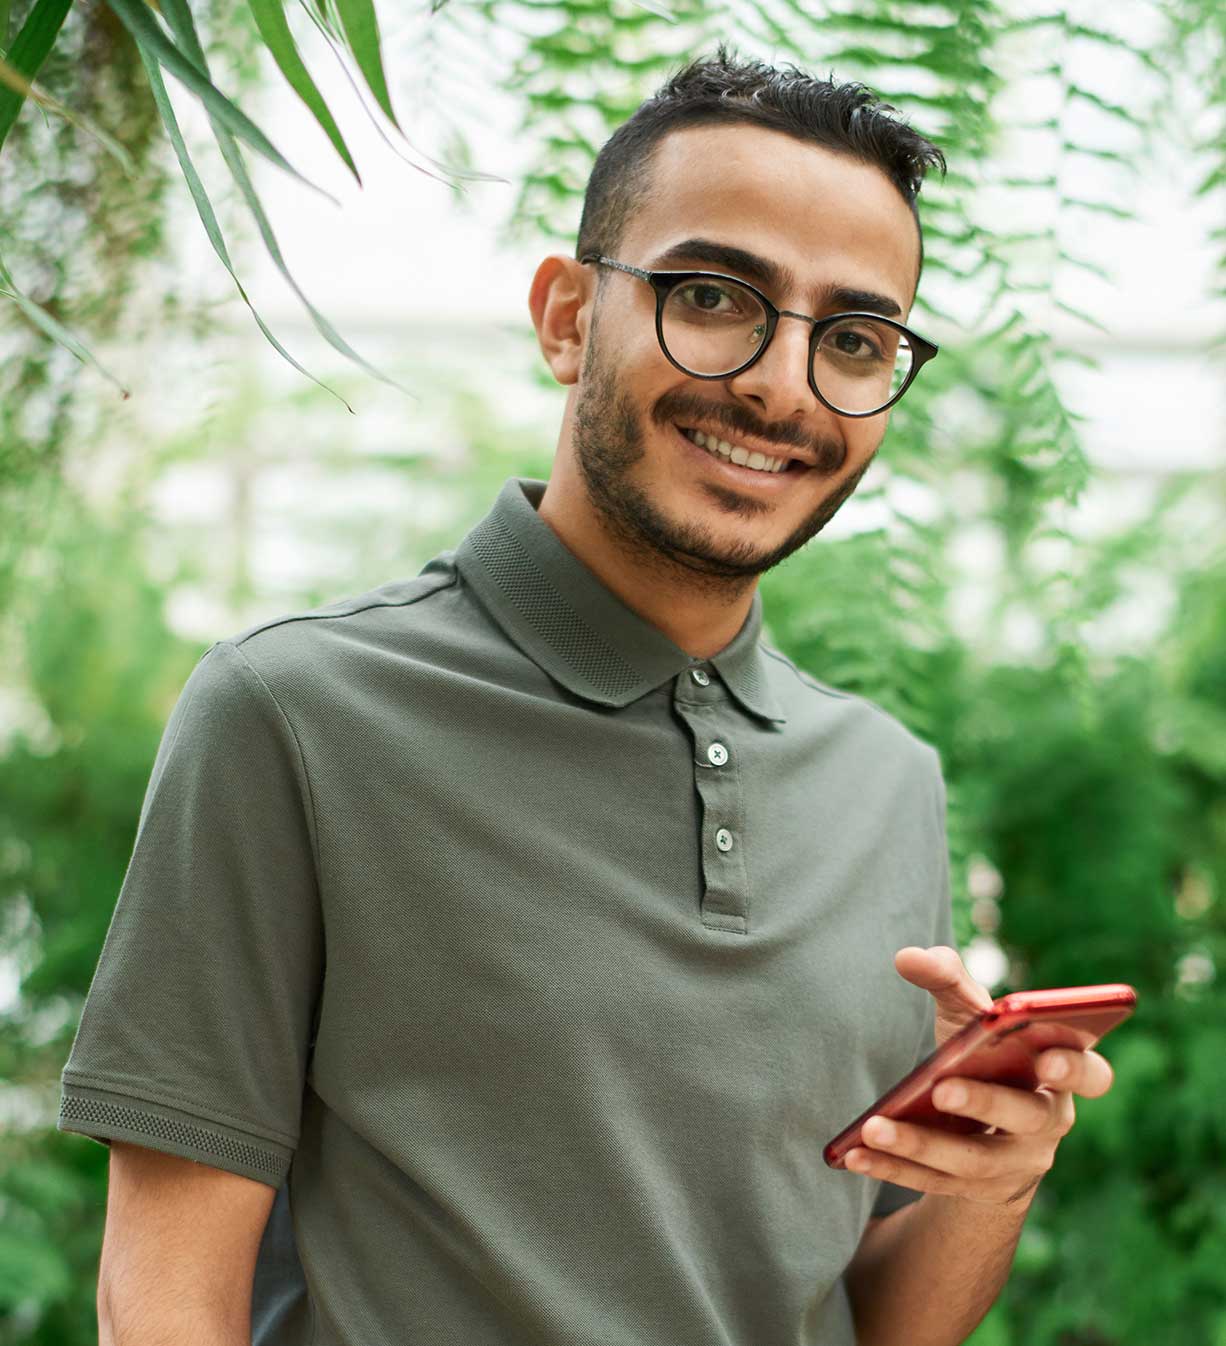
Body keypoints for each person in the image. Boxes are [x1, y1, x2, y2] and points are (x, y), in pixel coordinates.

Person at [59, 45, 1115, 1346]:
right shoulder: (296, 713)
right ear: (567, 317)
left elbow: (873, 1317)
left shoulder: (887, 781)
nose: (781, 384)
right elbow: (163, 1298)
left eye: (852, 338)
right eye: (714, 297)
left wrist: (993, 1181)